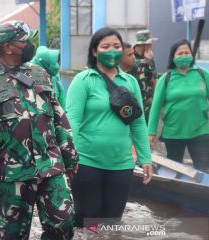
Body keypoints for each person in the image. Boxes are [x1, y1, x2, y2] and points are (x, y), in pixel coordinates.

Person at [0, 20, 78, 240]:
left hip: (50, 165)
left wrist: (70, 156)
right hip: (13, 172)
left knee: (64, 223)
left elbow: (58, 115)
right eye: (23, 40)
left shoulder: (39, 73)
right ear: (8, 47)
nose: (29, 44)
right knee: (13, 232)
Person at [66, 27, 153, 227]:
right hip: (86, 163)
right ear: (95, 51)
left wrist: (145, 157)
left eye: (116, 46)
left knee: (112, 224)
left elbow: (138, 122)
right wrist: (71, 159)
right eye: (105, 46)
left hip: (121, 164)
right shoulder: (83, 80)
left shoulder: (130, 82)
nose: (112, 51)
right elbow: (72, 122)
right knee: (87, 224)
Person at [148, 39, 209, 172]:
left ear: (192, 55)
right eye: (180, 53)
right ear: (173, 57)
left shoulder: (203, 74)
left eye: (187, 52)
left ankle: (202, 193)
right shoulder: (166, 78)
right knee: (173, 170)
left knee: (204, 169)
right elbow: (156, 107)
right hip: (174, 132)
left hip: (201, 130)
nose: (184, 55)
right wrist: (151, 132)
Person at [129, 29, 158, 122]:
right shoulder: (143, 63)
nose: (151, 46)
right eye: (149, 44)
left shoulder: (129, 56)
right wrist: (150, 61)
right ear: (143, 45)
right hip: (142, 104)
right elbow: (154, 81)